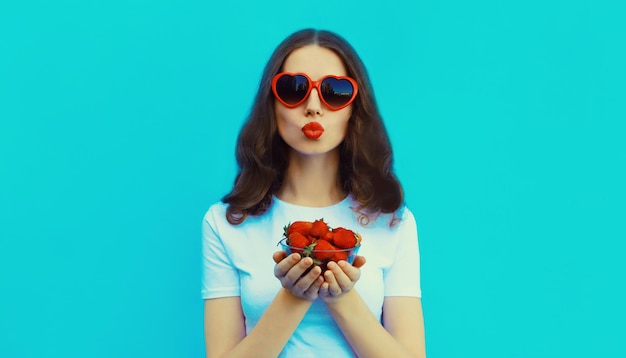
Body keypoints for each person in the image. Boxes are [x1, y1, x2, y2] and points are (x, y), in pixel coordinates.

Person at [202, 28, 425, 357]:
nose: (313, 106)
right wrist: (293, 297)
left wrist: (341, 297)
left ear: (354, 108)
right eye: (294, 88)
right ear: (272, 103)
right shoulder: (226, 223)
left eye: (335, 92)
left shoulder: (392, 222)